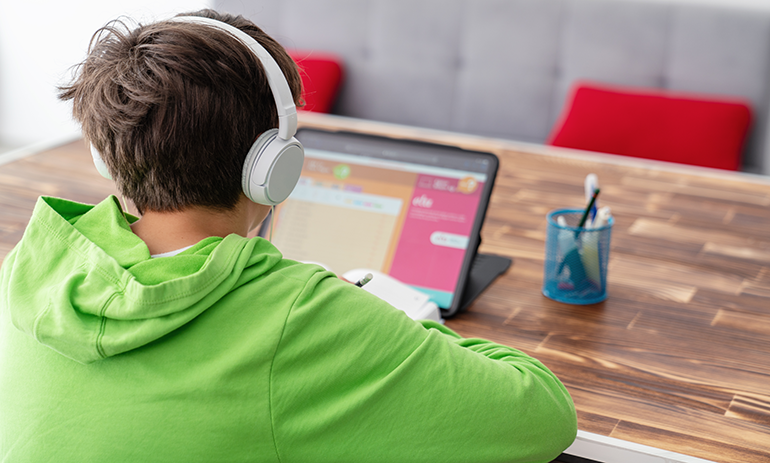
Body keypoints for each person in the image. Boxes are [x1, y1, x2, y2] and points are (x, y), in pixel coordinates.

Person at [0, 9, 577, 462]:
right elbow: (542, 414)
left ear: (106, 154)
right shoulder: (302, 317)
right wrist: (401, 321)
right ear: (273, 165)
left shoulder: (35, 268)